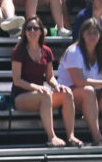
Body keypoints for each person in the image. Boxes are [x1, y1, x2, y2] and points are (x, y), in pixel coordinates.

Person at [11, 17, 80, 147]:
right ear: (25, 32)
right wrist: (37, 88)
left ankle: (71, 136)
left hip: (41, 96)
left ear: (41, 31)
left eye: (35, 28)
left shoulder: (46, 51)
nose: (32, 31)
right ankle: (51, 137)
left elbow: (50, 77)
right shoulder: (19, 51)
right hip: (20, 97)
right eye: (28, 28)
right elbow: (17, 80)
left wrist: (57, 85)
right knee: (46, 95)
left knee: (67, 93)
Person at [59, 17, 102, 145]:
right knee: (88, 91)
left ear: (100, 35)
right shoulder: (74, 51)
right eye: (89, 32)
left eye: (95, 32)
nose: (92, 36)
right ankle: (98, 138)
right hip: (69, 96)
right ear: (82, 34)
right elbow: (79, 82)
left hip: (95, 97)